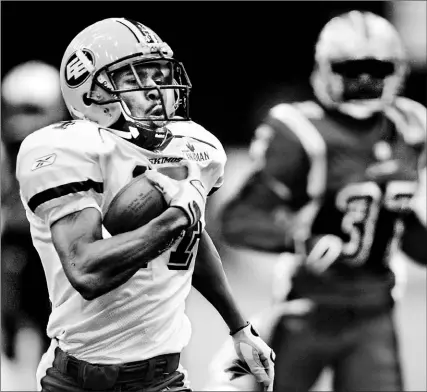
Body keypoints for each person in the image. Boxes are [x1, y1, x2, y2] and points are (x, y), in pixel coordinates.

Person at [15, 18, 275, 392]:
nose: (157, 90)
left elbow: (191, 238)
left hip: (163, 379)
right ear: (91, 91)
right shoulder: (65, 150)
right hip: (76, 380)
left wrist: (239, 327)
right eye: (137, 79)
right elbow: (86, 271)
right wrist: (173, 218)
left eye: (160, 75)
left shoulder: (193, 147)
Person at [219, 10, 426, 392]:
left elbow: (400, 224)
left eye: (376, 68)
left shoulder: (411, 128)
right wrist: (301, 237)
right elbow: (237, 220)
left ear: (397, 71)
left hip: (374, 312)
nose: (364, 80)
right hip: (307, 307)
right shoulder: (300, 131)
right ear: (325, 69)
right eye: (352, 68)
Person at [1, 61, 67, 367]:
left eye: (33, 110)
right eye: (18, 110)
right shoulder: (7, 152)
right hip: (16, 246)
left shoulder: (76, 149)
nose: (24, 123)